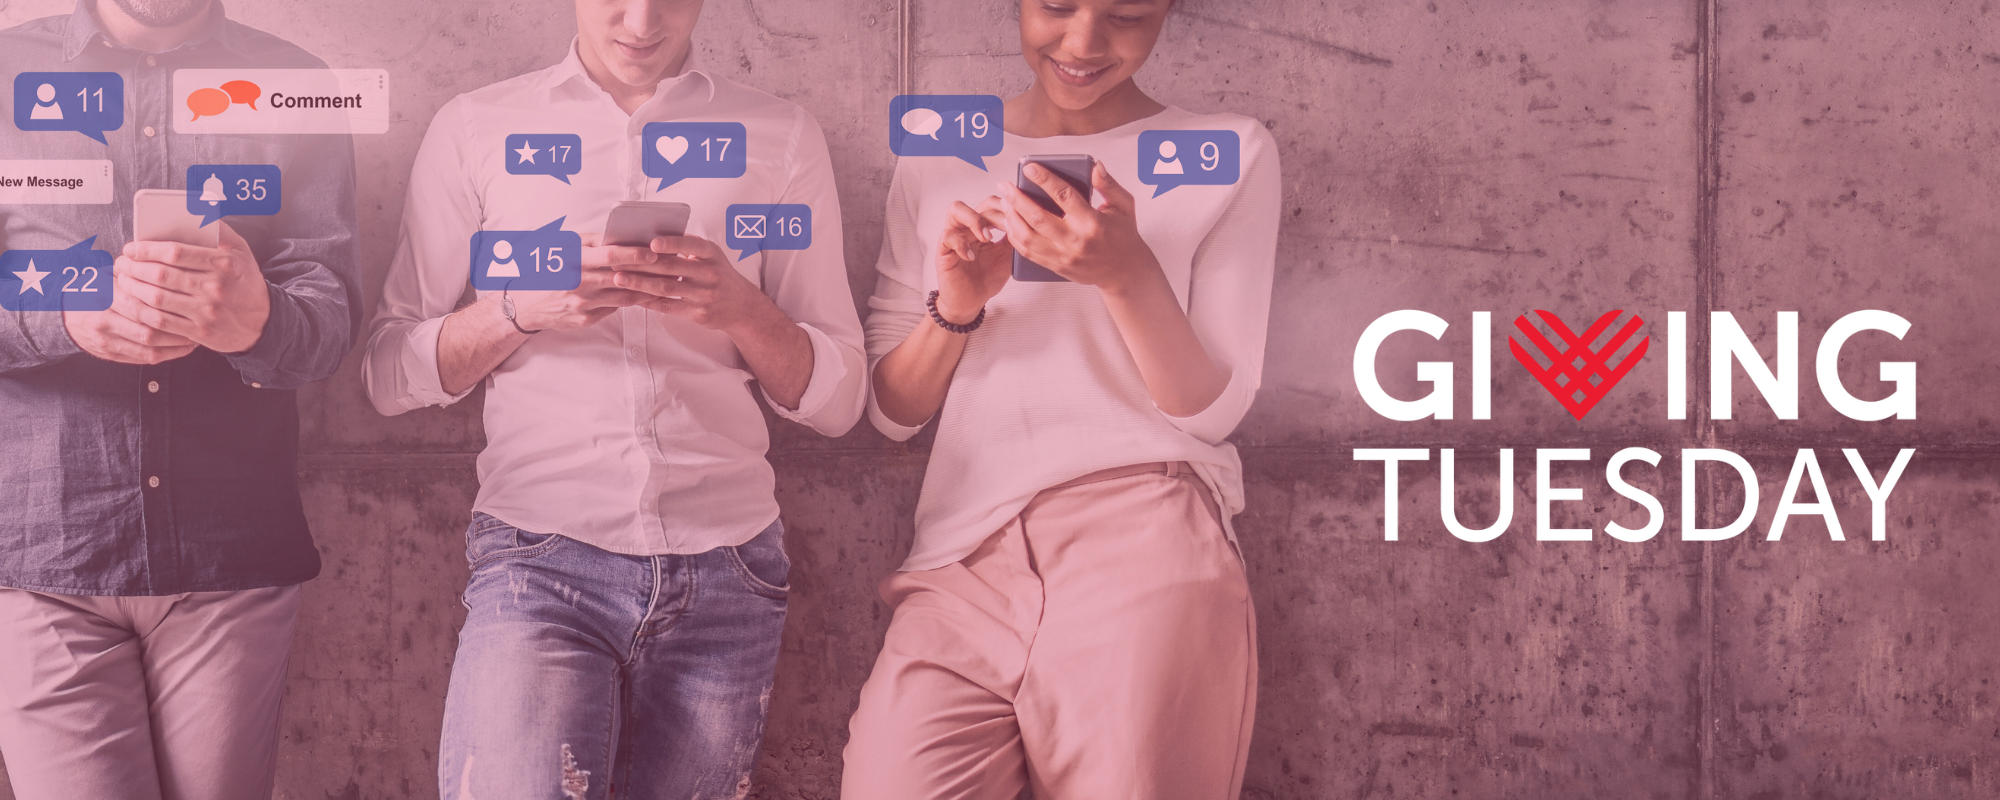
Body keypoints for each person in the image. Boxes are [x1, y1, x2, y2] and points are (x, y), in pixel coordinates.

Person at [362, 0, 866, 796]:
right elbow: (388, 373)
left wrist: (739, 306)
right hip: (539, 555)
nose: (640, 21)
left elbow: (839, 399)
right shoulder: (476, 126)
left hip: (729, 568)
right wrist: (522, 308)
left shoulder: (783, 135)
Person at [843, 0, 1281, 796]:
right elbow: (892, 412)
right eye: (1055, 5)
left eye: (1127, 14)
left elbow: (1214, 410)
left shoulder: (1229, 151)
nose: (1082, 43)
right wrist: (958, 307)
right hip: (960, 555)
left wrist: (1126, 272)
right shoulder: (939, 144)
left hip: (1143, 533)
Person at [0, 0, 361, 798]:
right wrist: (62, 315)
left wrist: (259, 319)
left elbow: (332, 318)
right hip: (43, 560)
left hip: (227, 557)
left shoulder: (297, 83)